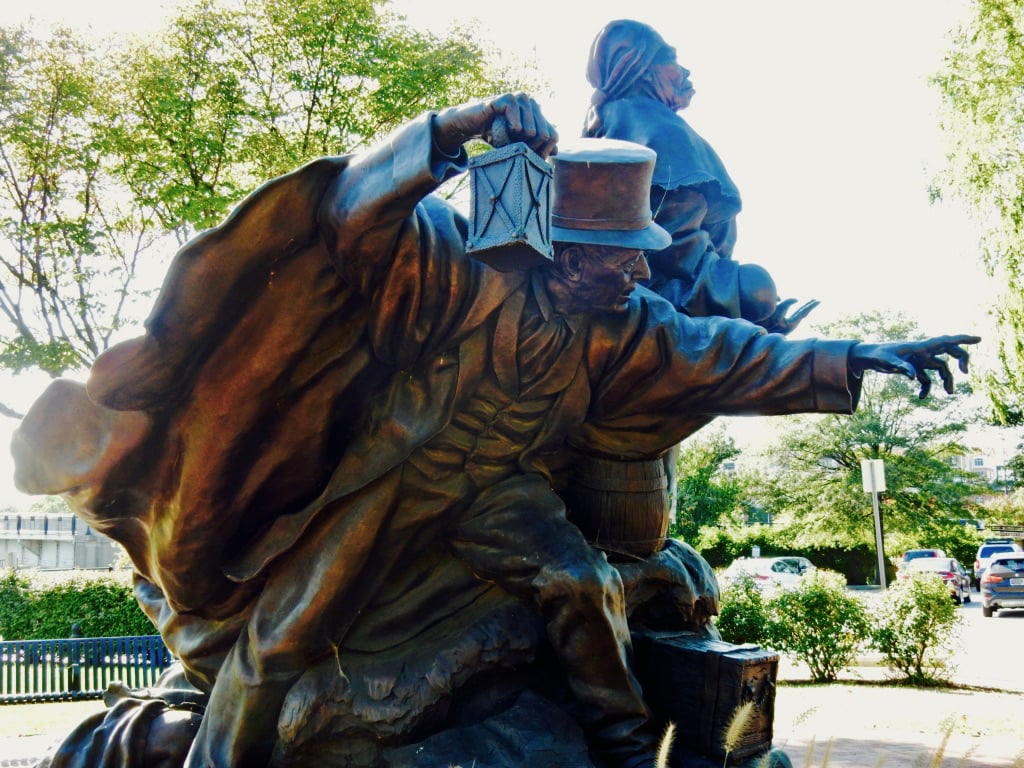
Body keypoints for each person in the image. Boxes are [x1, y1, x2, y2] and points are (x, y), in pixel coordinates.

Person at [12, 93, 977, 768]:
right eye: (622, 258)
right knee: (282, 638)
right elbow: (351, 217)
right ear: (568, 249)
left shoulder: (628, 326)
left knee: (580, 581)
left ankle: (623, 748)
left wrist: (865, 356)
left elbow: (734, 355)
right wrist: (448, 131)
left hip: (498, 496)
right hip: (387, 485)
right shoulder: (457, 269)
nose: (641, 273)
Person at [584, 19, 816, 333]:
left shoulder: (611, 123)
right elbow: (676, 251)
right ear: (641, 69)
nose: (685, 71)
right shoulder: (660, 129)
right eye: (671, 59)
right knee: (757, 286)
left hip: (635, 285)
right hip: (664, 291)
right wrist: (751, 309)